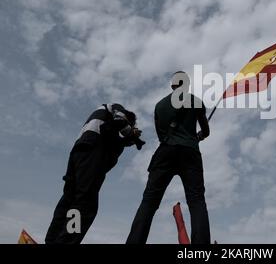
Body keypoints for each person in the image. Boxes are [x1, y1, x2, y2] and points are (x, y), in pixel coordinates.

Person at [126, 71, 211, 244]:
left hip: (165, 152)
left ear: (172, 85)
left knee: (149, 202)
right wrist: (198, 136)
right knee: (196, 202)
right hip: (191, 152)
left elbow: (161, 136)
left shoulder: (159, 106)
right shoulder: (196, 101)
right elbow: (206, 131)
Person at [45, 103, 145, 244]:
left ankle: (52, 240)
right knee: (85, 204)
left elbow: (112, 135)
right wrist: (131, 132)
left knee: (68, 200)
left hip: (78, 154)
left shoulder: (99, 122)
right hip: (91, 154)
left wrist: (129, 140)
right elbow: (119, 123)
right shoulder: (116, 108)